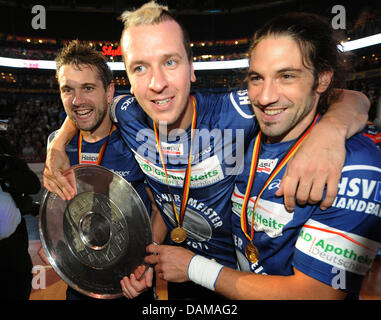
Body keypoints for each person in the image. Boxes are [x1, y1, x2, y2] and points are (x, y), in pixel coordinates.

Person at [43, 2, 370, 300]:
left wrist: (330, 131)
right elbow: (86, 107)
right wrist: (58, 145)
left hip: (236, 280)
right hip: (178, 274)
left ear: (192, 67)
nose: (157, 83)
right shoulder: (127, 112)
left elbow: (337, 95)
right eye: (140, 68)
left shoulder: (240, 112)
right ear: (128, 78)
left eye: (170, 62)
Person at [145, 12, 381, 300]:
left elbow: (316, 294)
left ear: (322, 80)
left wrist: (194, 267)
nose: (266, 96)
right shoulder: (244, 133)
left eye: (287, 76)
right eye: (257, 78)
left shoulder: (355, 164)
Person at [39, 40, 155, 300]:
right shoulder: (56, 147)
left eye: (88, 88)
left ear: (109, 91)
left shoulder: (136, 141)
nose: (77, 100)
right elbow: (58, 210)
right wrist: (55, 244)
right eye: (67, 89)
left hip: (131, 283)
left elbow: (158, 208)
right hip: (80, 282)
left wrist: (147, 261)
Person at [0, 136, 41, 300]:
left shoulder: (7, 159)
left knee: (17, 288)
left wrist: (7, 171)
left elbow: (33, 185)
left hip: (13, 251)